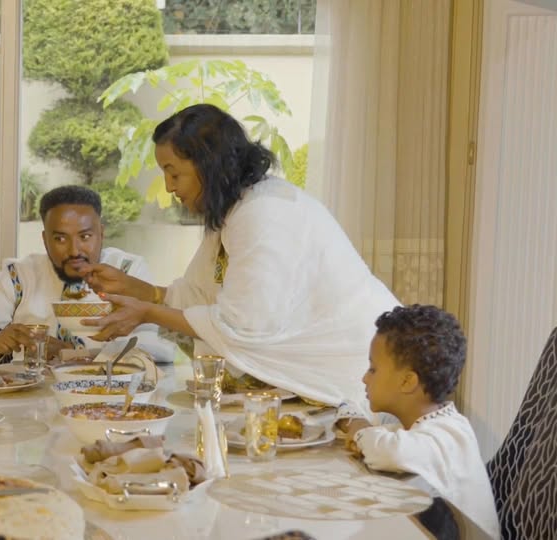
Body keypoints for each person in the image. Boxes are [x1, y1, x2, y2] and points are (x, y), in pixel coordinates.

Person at [77, 104, 400, 418]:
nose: (169, 186)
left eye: (173, 173)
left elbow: (243, 324)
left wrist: (148, 312)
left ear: (207, 165)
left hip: (363, 375)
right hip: (330, 380)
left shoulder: (265, 212)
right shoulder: (236, 209)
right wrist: (143, 291)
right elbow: (201, 297)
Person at [0, 185, 175, 364]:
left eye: (85, 237)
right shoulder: (19, 276)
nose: (74, 251)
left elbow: (156, 347)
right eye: (60, 239)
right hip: (28, 405)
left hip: (106, 402)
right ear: (45, 239)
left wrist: (75, 354)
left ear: (101, 234)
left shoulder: (127, 271)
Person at [351, 305, 499, 539]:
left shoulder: (446, 436)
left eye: (373, 369)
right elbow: (392, 437)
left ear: (407, 382)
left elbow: (391, 452)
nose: (364, 378)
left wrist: (356, 428)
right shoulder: (432, 426)